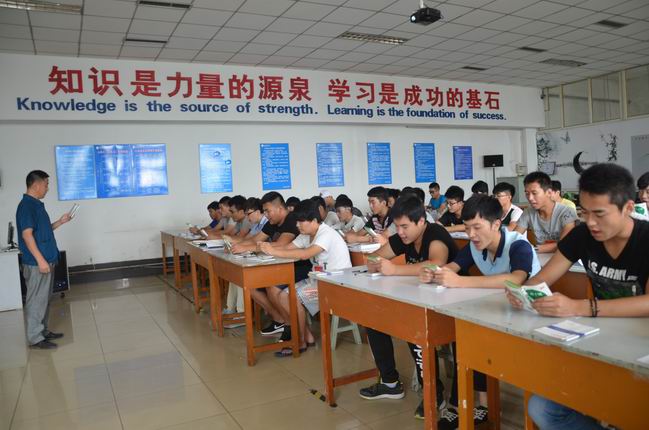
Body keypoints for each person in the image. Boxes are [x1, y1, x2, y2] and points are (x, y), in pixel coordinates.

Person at [506, 163, 649, 430]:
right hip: (601, 340)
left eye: (600, 213)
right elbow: (544, 277)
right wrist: (522, 292)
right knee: (542, 409)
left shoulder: (645, 240)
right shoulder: (583, 235)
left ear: (628, 208)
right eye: (584, 212)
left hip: (641, 346)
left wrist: (580, 307)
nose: (591, 222)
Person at [420, 194, 541, 429]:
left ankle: (483, 406)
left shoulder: (518, 245)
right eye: (467, 228)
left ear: (496, 224)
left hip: (528, 319)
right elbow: (452, 268)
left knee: (474, 340)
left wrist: (460, 282)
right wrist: (434, 272)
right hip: (498, 312)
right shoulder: (475, 246)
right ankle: (482, 406)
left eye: (477, 227)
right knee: (466, 337)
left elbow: (516, 279)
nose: (471, 235)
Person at [359, 196, 459, 420]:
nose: (400, 232)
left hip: (451, 304)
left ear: (421, 221)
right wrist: (375, 263)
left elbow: (436, 263)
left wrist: (395, 270)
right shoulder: (404, 237)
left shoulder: (435, 234)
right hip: (420, 299)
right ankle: (389, 382)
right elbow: (374, 257)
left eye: (405, 226)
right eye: (397, 227)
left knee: (414, 329)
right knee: (374, 319)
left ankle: (434, 393)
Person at [260, 199, 351, 356]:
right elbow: (287, 248)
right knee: (283, 296)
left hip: (335, 283)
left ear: (314, 221)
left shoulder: (326, 234)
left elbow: (304, 254)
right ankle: (306, 337)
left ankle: (300, 341)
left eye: (301, 222)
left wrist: (273, 251)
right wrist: (265, 249)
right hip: (318, 279)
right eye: (297, 222)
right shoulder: (306, 234)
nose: (297, 226)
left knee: (291, 297)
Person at [230, 192, 311, 337]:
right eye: (265, 211)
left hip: (299, 265)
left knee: (272, 287)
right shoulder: (272, 222)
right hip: (279, 264)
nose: (266, 215)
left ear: (280, 208)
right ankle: (279, 319)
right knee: (252, 286)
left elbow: (281, 244)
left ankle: (290, 326)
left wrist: (247, 248)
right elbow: (256, 239)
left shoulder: (292, 220)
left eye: (268, 211)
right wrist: (237, 246)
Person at [16, 170, 72, 349]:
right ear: (36, 184)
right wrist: (40, 260)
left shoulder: (37, 205)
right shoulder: (26, 206)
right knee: (36, 300)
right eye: (46, 184)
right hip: (36, 264)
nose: (47, 188)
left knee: (44, 299)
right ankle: (35, 337)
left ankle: (42, 331)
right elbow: (27, 235)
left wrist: (61, 222)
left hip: (47, 260)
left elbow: (43, 230)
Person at [515, 172, 577, 253]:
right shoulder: (528, 212)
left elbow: (565, 244)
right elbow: (515, 237)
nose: (530, 198)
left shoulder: (567, 212)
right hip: (540, 256)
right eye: (527, 193)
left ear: (549, 193)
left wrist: (531, 249)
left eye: (534, 193)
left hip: (563, 257)